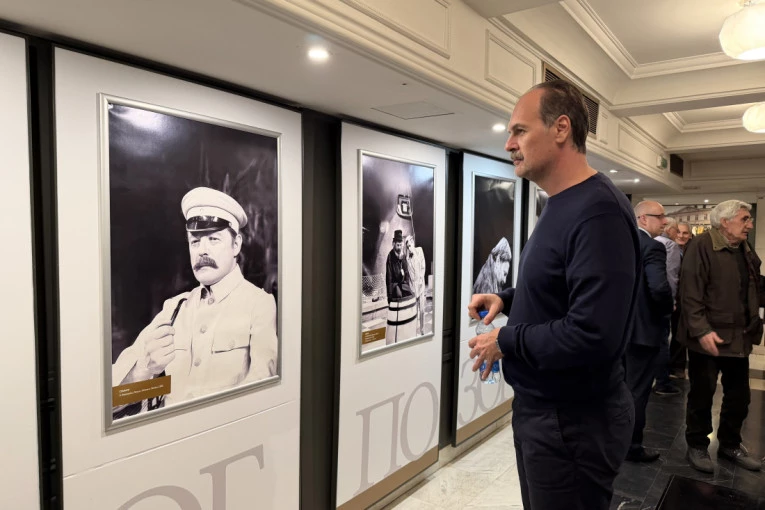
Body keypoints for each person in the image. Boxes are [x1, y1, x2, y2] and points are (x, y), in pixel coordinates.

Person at [468, 80, 638, 510]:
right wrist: (508, 299)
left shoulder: (598, 211)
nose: (509, 144)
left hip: (573, 423)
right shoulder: (562, 203)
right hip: (547, 413)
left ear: (561, 128)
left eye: (519, 131)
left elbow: (593, 334)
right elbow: (561, 285)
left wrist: (505, 339)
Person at [112, 187, 278, 417]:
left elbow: (262, 399)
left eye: (213, 239)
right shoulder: (174, 309)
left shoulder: (259, 305)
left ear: (236, 245)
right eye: (195, 241)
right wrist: (143, 370)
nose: (202, 251)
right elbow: (112, 400)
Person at [678, 200, 763, 473]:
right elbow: (690, 293)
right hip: (708, 338)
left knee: (739, 397)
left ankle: (730, 445)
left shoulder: (744, 248)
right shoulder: (701, 246)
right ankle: (697, 445)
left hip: (739, 337)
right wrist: (702, 330)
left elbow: (753, 286)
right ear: (725, 222)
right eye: (744, 219)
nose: (750, 224)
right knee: (702, 396)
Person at [624, 201, 674, 463]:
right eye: (660, 216)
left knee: (619, 389)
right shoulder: (653, 247)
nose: (665, 221)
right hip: (643, 333)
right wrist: (668, 310)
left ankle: (612, 441)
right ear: (643, 218)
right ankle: (631, 447)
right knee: (637, 392)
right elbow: (658, 288)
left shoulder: (619, 243)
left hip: (618, 331)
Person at [652, 218, 682, 396]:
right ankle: (662, 382)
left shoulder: (651, 242)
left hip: (647, 301)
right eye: (676, 230)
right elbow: (671, 276)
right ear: (669, 230)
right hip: (662, 299)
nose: (677, 234)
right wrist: (671, 301)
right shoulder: (670, 246)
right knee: (663, 340)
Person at [669, 221, 693, 378]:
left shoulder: (693, 251)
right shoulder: (668, 249)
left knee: (681, 333)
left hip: (686, 299)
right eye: (678, 232)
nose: (681, 236)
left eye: (685, 233)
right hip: (671, 298)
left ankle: (677, 367)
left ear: (690, 235)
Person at [385, 229, 415, 344]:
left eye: (401, 244)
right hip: (394, 286)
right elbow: (388, 277)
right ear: (394, 244)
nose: (399, 247)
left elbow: (406, 274)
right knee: (398, 294)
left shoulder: (403, 256)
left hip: (403, 284)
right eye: (397, 245)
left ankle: (406, 332)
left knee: (410, 294)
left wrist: (406, 284)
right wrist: (389, 296)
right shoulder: (390, 257)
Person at [405, 234, 427, 335]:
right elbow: (409, 274)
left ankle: (422, 330)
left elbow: (423, 266)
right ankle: (413, 331)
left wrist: (421, 279)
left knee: (422, 310)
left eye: (410, 244)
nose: (409, 247)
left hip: (420, 286)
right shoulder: (407, 258)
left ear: (413, 242)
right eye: (408, 246)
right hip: (413, 288)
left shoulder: (419, 250)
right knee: (414, 311)